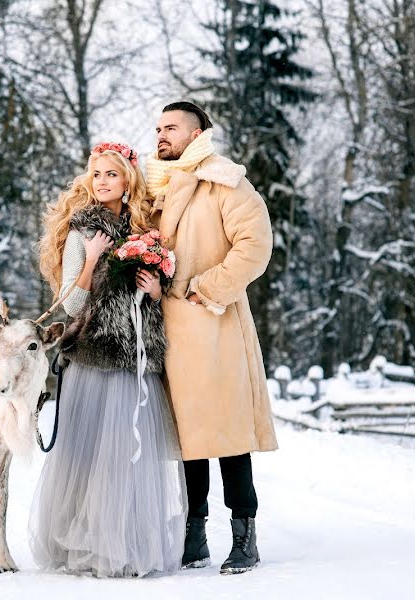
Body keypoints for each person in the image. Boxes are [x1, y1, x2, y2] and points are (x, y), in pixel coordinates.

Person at [29, 141, 187, 578]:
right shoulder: (82, 231)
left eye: (111, 174)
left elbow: (161, 292)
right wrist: (91, 259)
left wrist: (157, 291)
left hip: (137, 358)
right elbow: (69, 302)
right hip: (94, 358)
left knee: (131, 461)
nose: (102, 182)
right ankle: (89, 545)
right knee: (91, 457)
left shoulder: (147, 231)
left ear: (128, 179)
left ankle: (128, 544)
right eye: (96, 174)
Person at [147, 101, 277, 575]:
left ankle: (244, 535)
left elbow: (255, 245)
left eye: (171, 127)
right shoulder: (157, 190)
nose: (161, 135)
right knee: (186, 435)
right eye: (158, 128)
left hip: (214, 326)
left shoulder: (225, 181)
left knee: (227, 432)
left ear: (198, 132)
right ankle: (193, 533)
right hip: (170, 335)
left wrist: (208, 287)